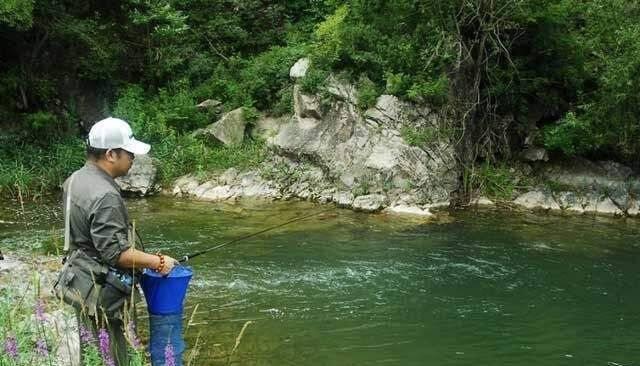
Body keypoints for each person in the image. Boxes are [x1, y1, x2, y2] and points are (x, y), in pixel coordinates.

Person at [57, 117, 177, 365]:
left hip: (79, 282)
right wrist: (159, 261)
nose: (133, 158)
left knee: (92, 351)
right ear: (111, 154)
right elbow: (117, 254)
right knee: (112, 356)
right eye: (129, 152)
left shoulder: (75, 179)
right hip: (101, 292)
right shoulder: (106, 195)